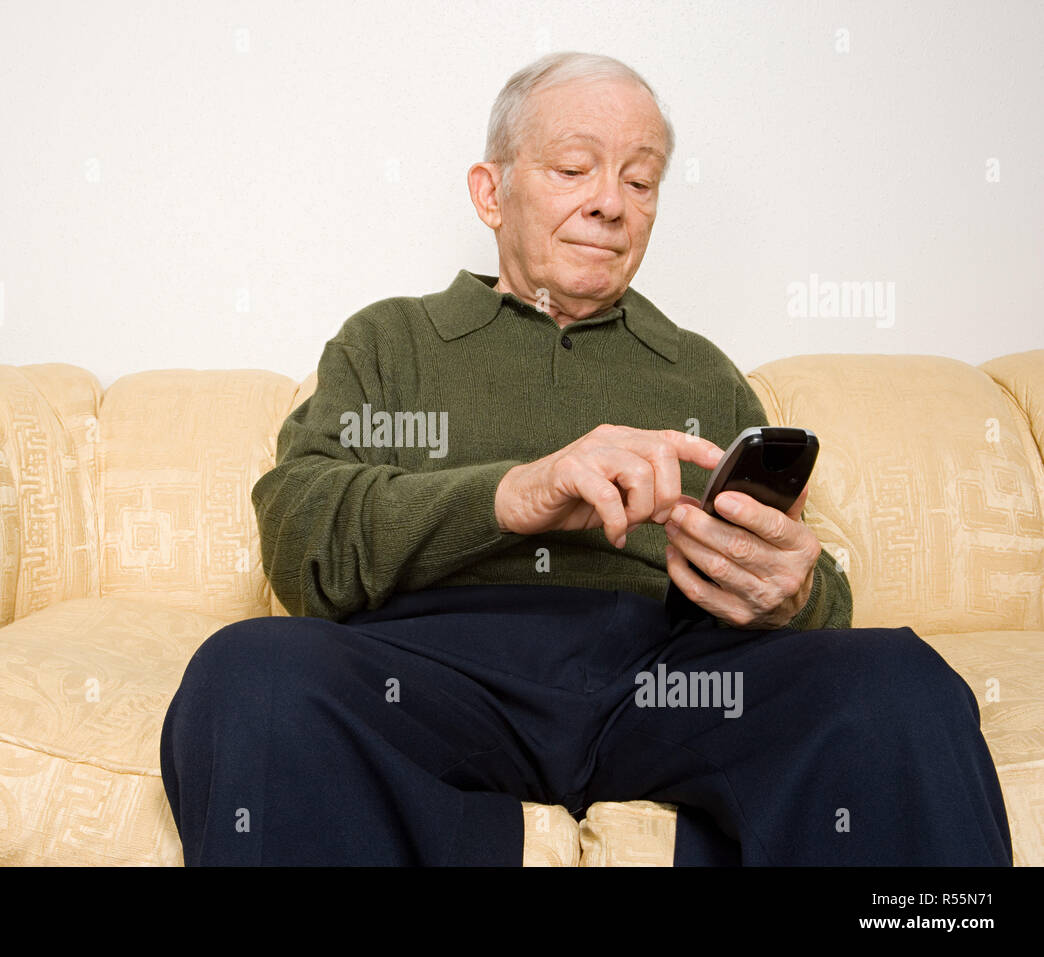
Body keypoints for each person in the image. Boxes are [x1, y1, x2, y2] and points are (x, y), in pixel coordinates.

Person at [159, 51, 1013, 866]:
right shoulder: (391, 339)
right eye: (574, 169)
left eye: (639, 181)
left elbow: (800, 597)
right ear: (489, 192)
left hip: (665, 678)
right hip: (435, 668)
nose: (612, 203)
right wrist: (519, 492)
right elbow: (303, 534)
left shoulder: (702, 372)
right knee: (252, 674)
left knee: (900, 681)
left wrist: (799, 590)